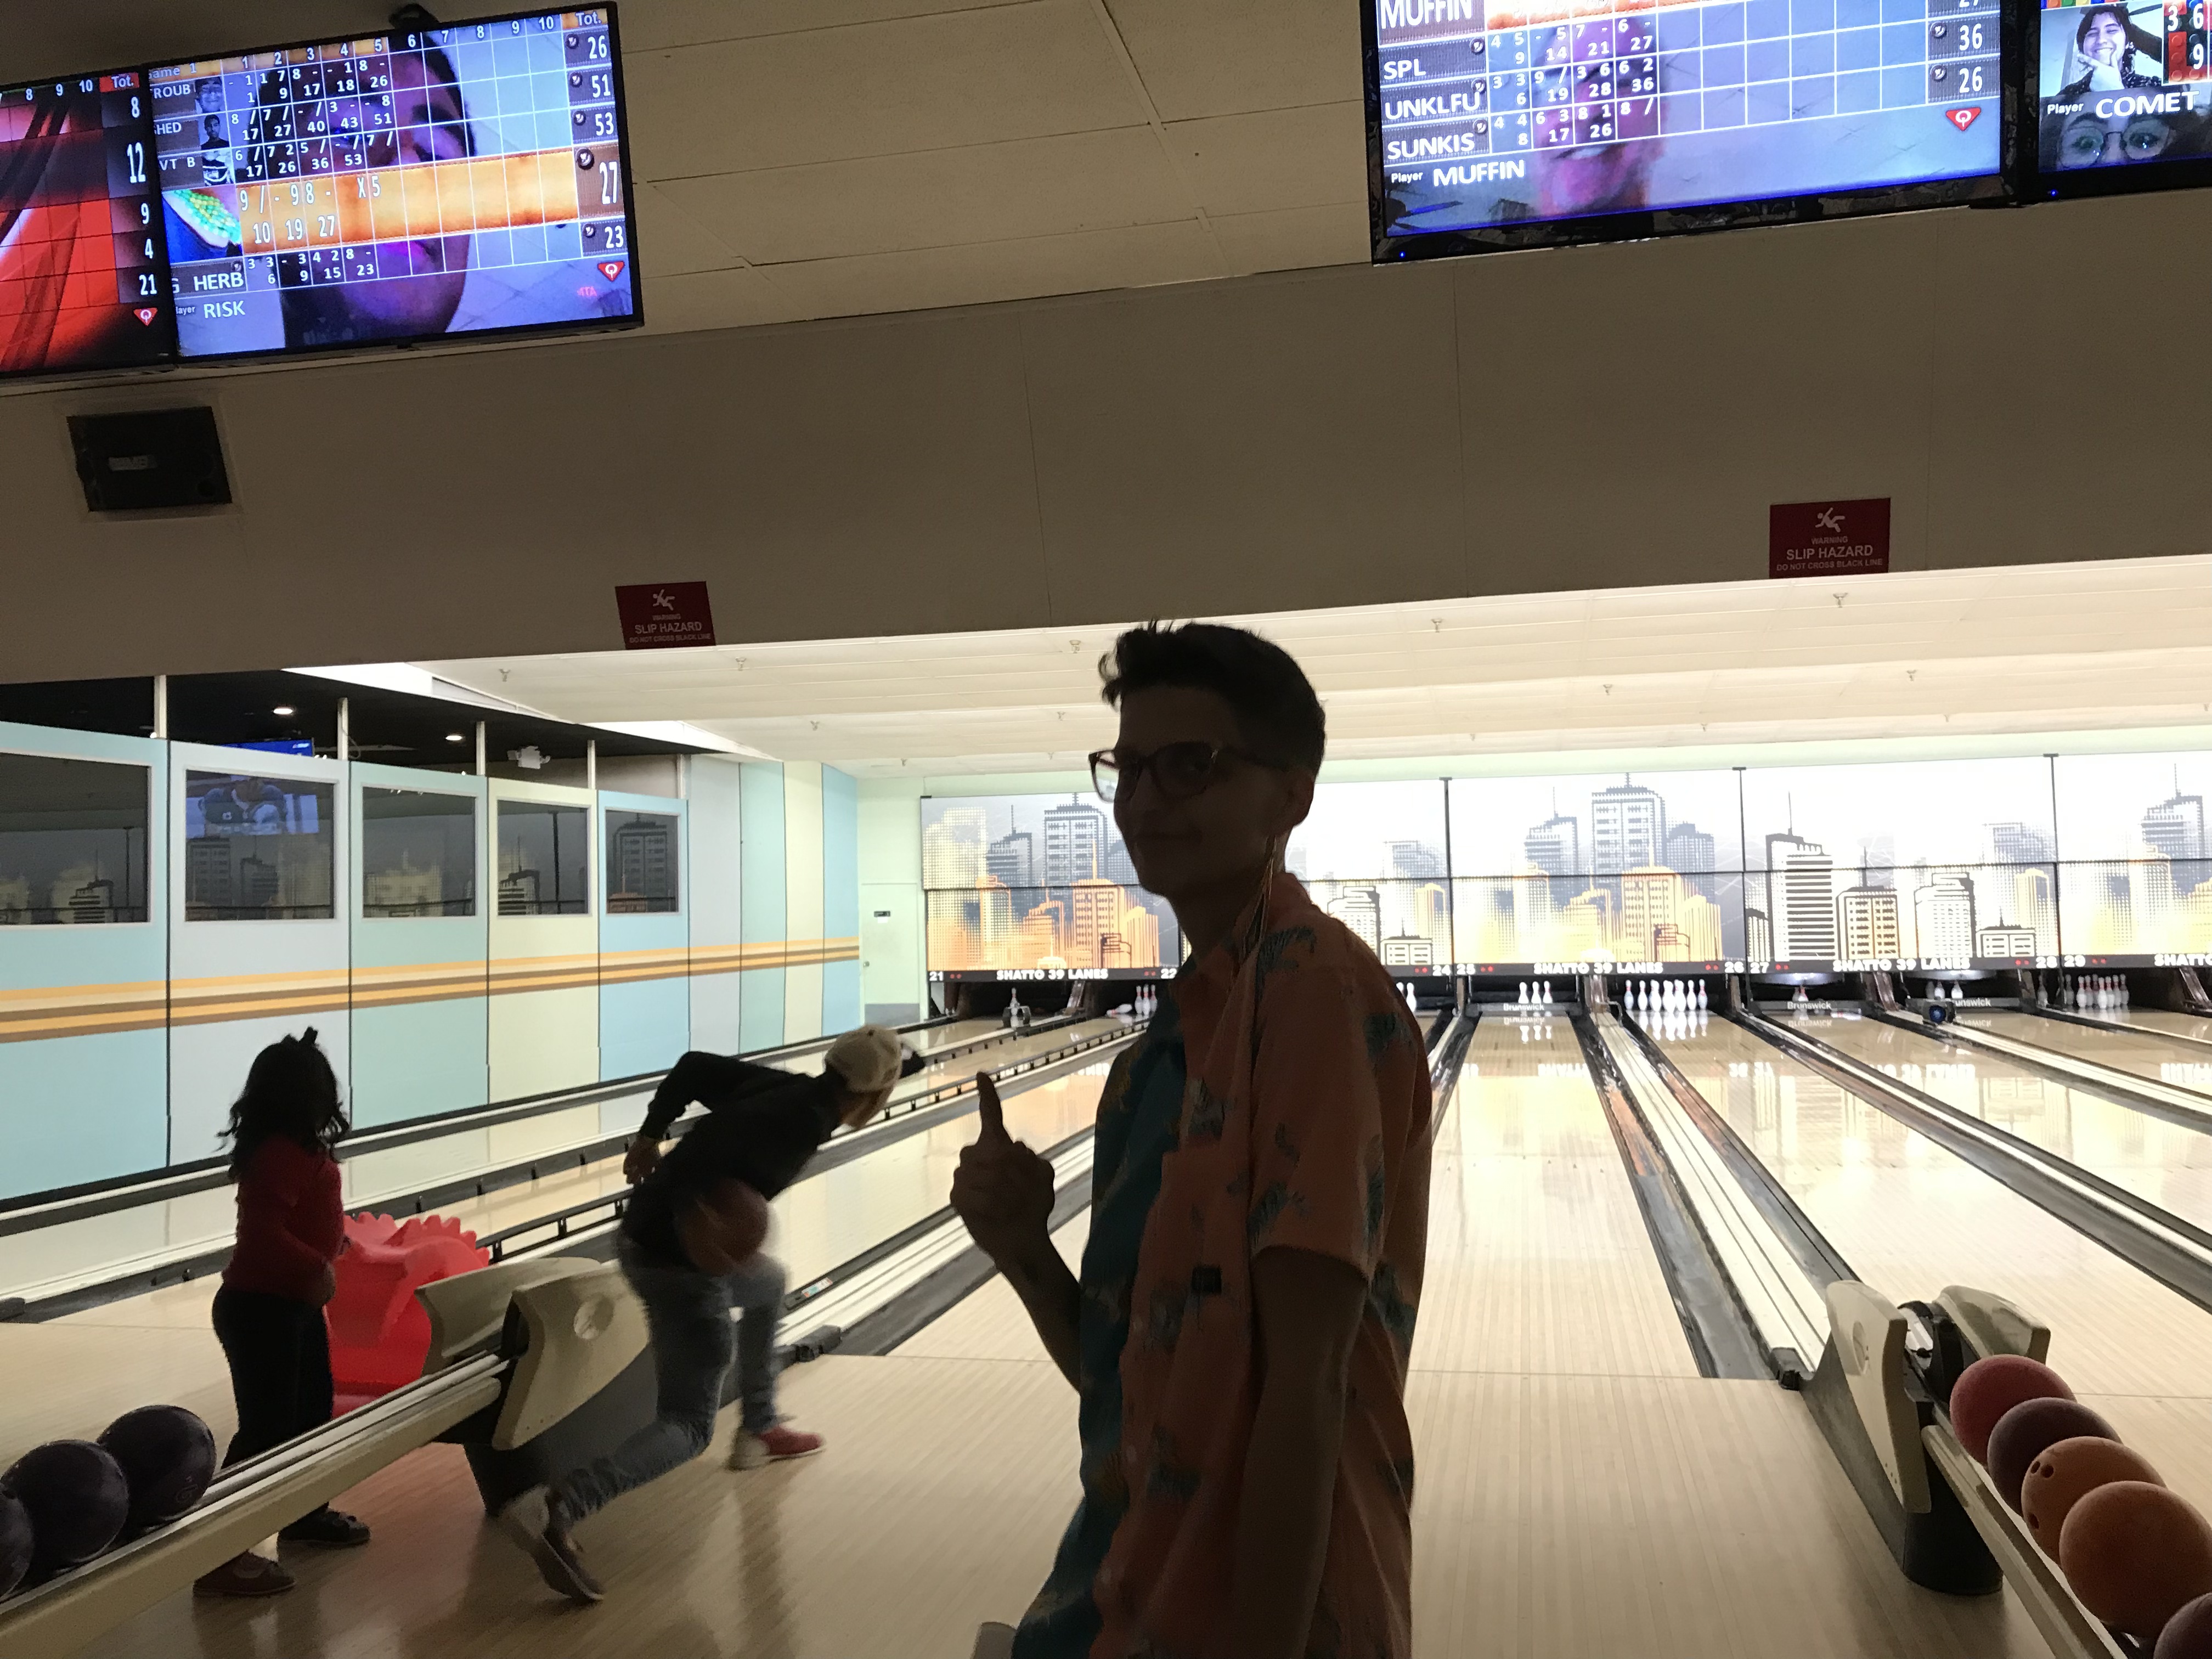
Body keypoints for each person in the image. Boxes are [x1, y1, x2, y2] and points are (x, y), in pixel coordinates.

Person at [953, 623, 1436, 1659]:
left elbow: (1305, 1384)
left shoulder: (1311, 993)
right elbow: (1134, 1386)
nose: (1143, 799)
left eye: (1190, 765)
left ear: (1290, 794)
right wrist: (1022, 1248)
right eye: (1127, 767)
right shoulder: (1161, 1054)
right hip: (1123, 1589)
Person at [499, 1025, 919, 1604]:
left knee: (769, 1282)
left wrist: (650, 1137)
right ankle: (559, 1506)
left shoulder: (791, 1091)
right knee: (689, 1426)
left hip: (647, 1240)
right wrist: (700, 1223)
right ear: (876, 1094)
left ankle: (758, 1428)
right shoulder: (796, 1123)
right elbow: (705, 1177)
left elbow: (694, 1066)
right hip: (679, 1268)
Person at [194, 1029, 369, 1599]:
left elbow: (297, 1224)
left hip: (289, 1306)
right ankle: (217, 1553)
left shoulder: (295, 1151)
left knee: (311, 1413)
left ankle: (301, 1512)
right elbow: (262, 1235)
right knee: (267, 1430)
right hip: (260, 1309)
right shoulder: (278, 1155)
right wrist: (318, 1266)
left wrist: (331, 1247)